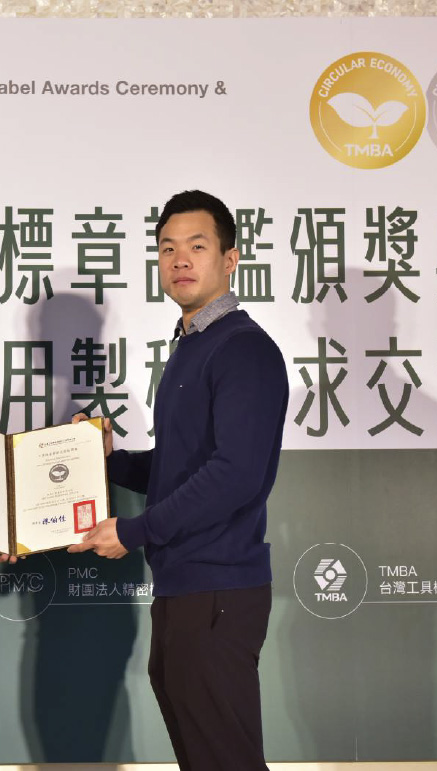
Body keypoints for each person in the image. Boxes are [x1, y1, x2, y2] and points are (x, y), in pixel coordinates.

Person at [69, 190, 289, 770]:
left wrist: (134, 532)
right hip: (184, 586)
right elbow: (177, 466)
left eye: (197, 246)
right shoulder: (191, 348)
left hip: (217, 587)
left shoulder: (242, 349)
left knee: (225, 759)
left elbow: (235, 475)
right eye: (168, 249)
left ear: (231, 259)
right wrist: (103, 460)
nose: (180, 260)